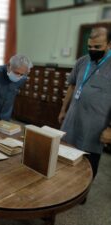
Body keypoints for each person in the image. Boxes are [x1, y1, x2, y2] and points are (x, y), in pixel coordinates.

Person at [58, 27, 111, 179]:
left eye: (97, 47)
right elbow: (72, 86)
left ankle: (82, 194)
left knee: (88, 165)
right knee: (64, 157)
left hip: (94, 127)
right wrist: (63, 110)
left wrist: (110, 129)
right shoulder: (82, 61)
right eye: (90, 46)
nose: (93, 50)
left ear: (109, 44)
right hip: (72, 120)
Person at [0, 54, 33, 140]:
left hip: (5, 115)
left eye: (21, 74)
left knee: (4, 140)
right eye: (16, 73)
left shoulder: (23, 77)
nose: (19, 76)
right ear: (9, 65)